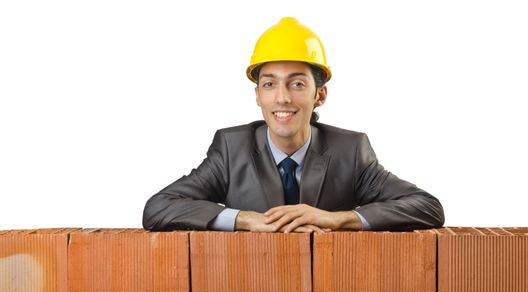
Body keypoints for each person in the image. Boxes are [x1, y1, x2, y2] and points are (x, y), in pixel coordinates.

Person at [143, 17, 444, 233]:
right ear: (258, 95)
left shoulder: (350, 151)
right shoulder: (232, 149)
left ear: (320, 95)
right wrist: (245, 219)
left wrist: (338, 219)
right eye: (270, 84)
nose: (282, 98)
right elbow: (158, 208)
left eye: (297, 84)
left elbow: (427, 206)